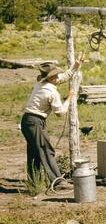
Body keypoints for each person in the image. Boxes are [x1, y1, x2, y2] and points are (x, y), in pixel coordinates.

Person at [21, 54, 84, 189]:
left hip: (28, 121)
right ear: (50, 78)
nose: (58, 77)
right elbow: (60, 113)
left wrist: (76, 66)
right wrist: (69, 98)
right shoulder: (51, 92)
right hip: (35, 121)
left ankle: (34, 182)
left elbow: (64, 77)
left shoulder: (42, 83)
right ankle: (58, 182)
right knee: (45, 150)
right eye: (55, 75)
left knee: (34, 152)